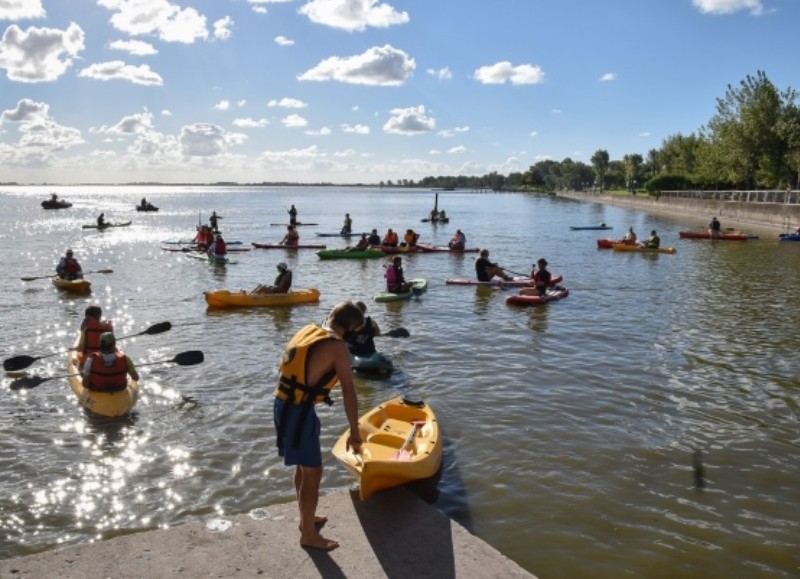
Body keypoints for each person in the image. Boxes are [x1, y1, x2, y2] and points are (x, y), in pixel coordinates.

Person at [273, 301, 363, 551]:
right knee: (314, 471)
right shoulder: (337, 347)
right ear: (352, 327)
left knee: (305, 468)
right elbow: (349, 391)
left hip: (283, 404)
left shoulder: (310, 330)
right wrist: (355, 433)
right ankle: (309, 535)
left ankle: (307, 519)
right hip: (299, 412)